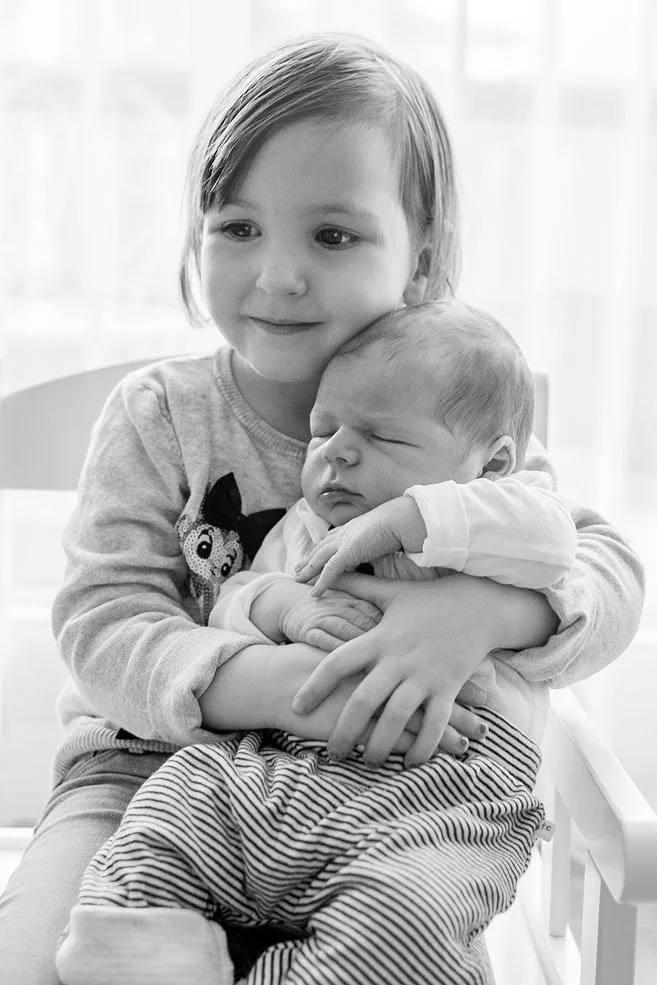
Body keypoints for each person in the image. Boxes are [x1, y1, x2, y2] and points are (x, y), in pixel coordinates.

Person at [0, 33, 643, 985]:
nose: (278, 275)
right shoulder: (160, 414)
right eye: (237, 227)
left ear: (421, 257)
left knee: (395, 947)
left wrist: (486, 614)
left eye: (332, 235)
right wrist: (296, 685)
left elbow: (600, 567)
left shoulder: (454, 416)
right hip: (146, 772)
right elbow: (105, 623)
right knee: (43, 961)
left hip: (399, 792)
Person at [55, 300, 580, 985]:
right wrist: (284, 604)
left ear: (493, 464)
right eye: (322, 431)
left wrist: (408, 519)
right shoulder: (308, 528)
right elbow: (233, 600)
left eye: (381, 437)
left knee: (405, 922)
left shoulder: (503, 518)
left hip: (440, 792)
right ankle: (141, 939)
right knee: (180, 800)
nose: (336, 452)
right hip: (278, 762)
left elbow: (556, 543)